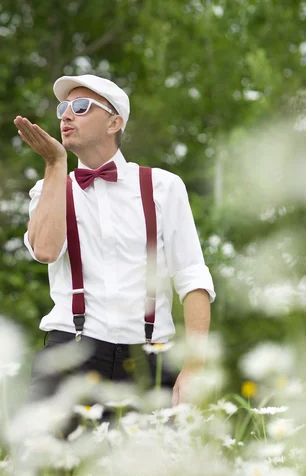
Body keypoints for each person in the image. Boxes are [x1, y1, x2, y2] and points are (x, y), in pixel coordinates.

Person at [14, 74, 216, 406]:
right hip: (69, 354)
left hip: (149, 360)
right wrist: (54, 164)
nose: (65, 115)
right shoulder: (49, 188)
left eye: (80, 107)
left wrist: (194, 366)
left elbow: (191, 277)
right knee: (41, 458)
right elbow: (45, 251)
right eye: (63, 107)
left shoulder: (164, 187)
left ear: (114, 122)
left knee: (156, 459)